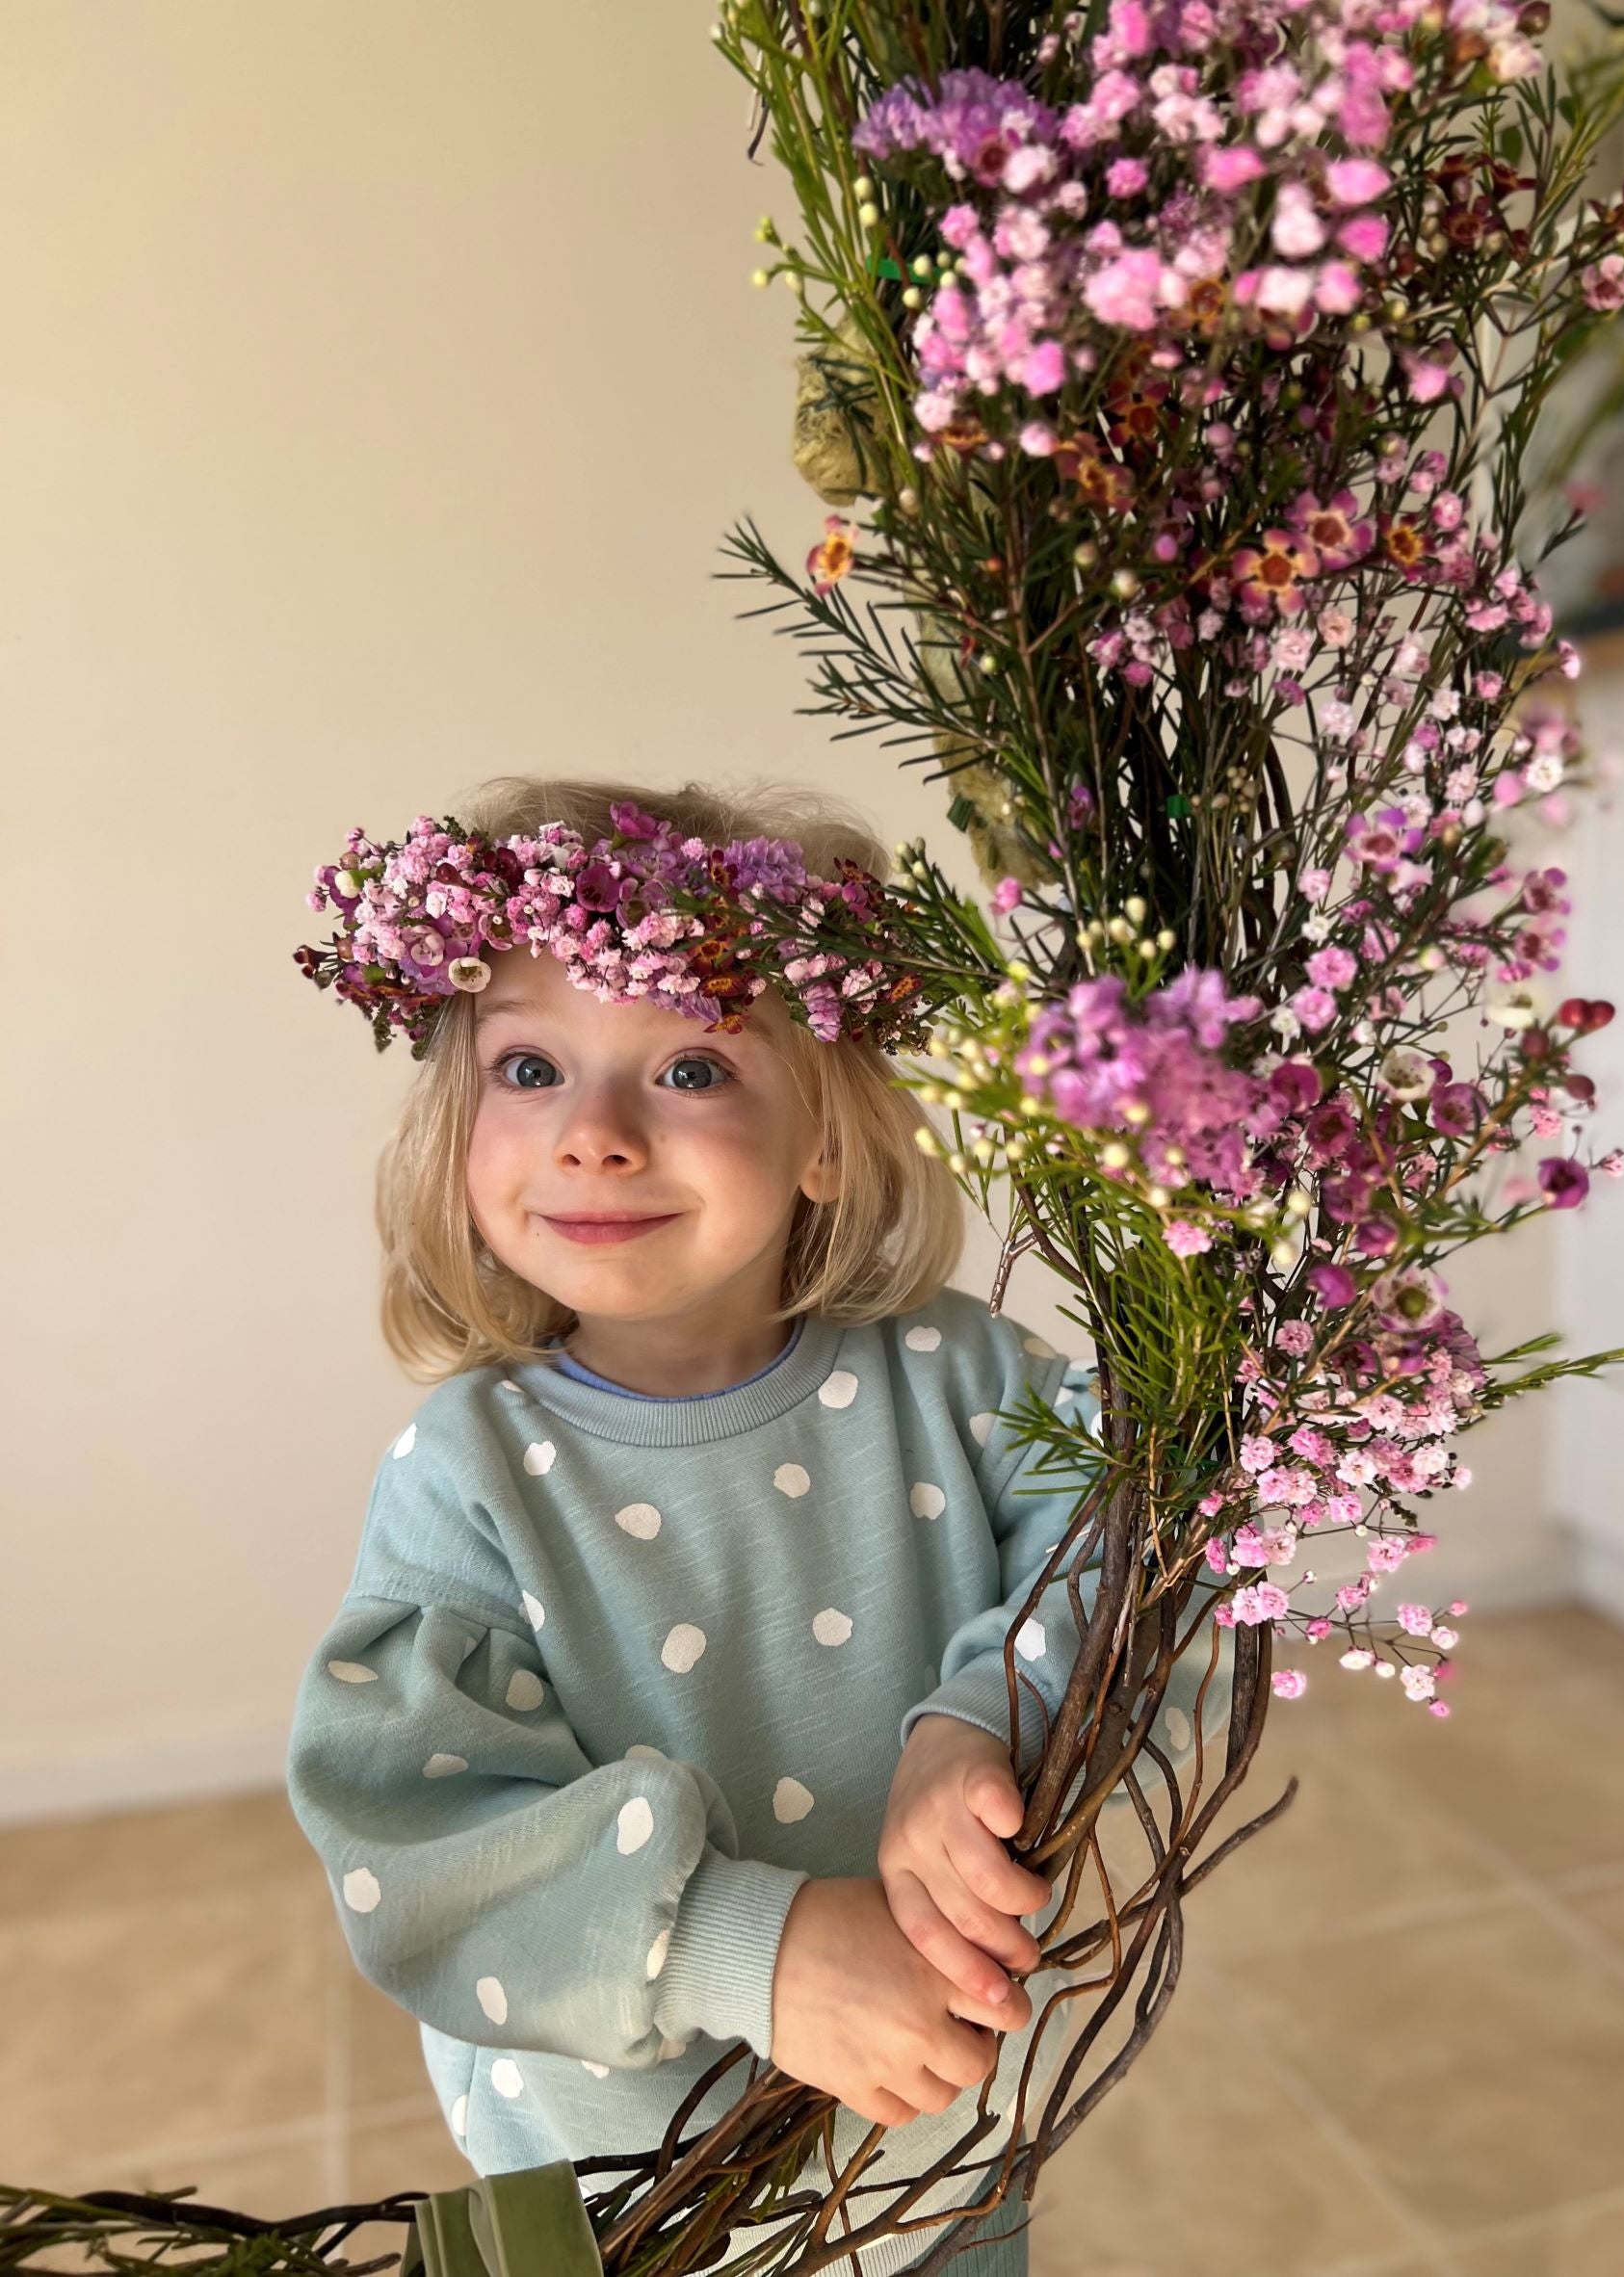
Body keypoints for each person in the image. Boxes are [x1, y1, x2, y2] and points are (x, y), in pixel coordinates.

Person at [285, 772, 1234, 2276]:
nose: (592, 1135)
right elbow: (414, 1840)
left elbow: (1139, 1562)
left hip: (931, 2148)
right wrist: (749, 1945)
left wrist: (978, 1718)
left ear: (827, 1141)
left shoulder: (965, 1377)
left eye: (690, 1070)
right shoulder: (469, 1470)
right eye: (528, 1067)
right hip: (632, 2186)